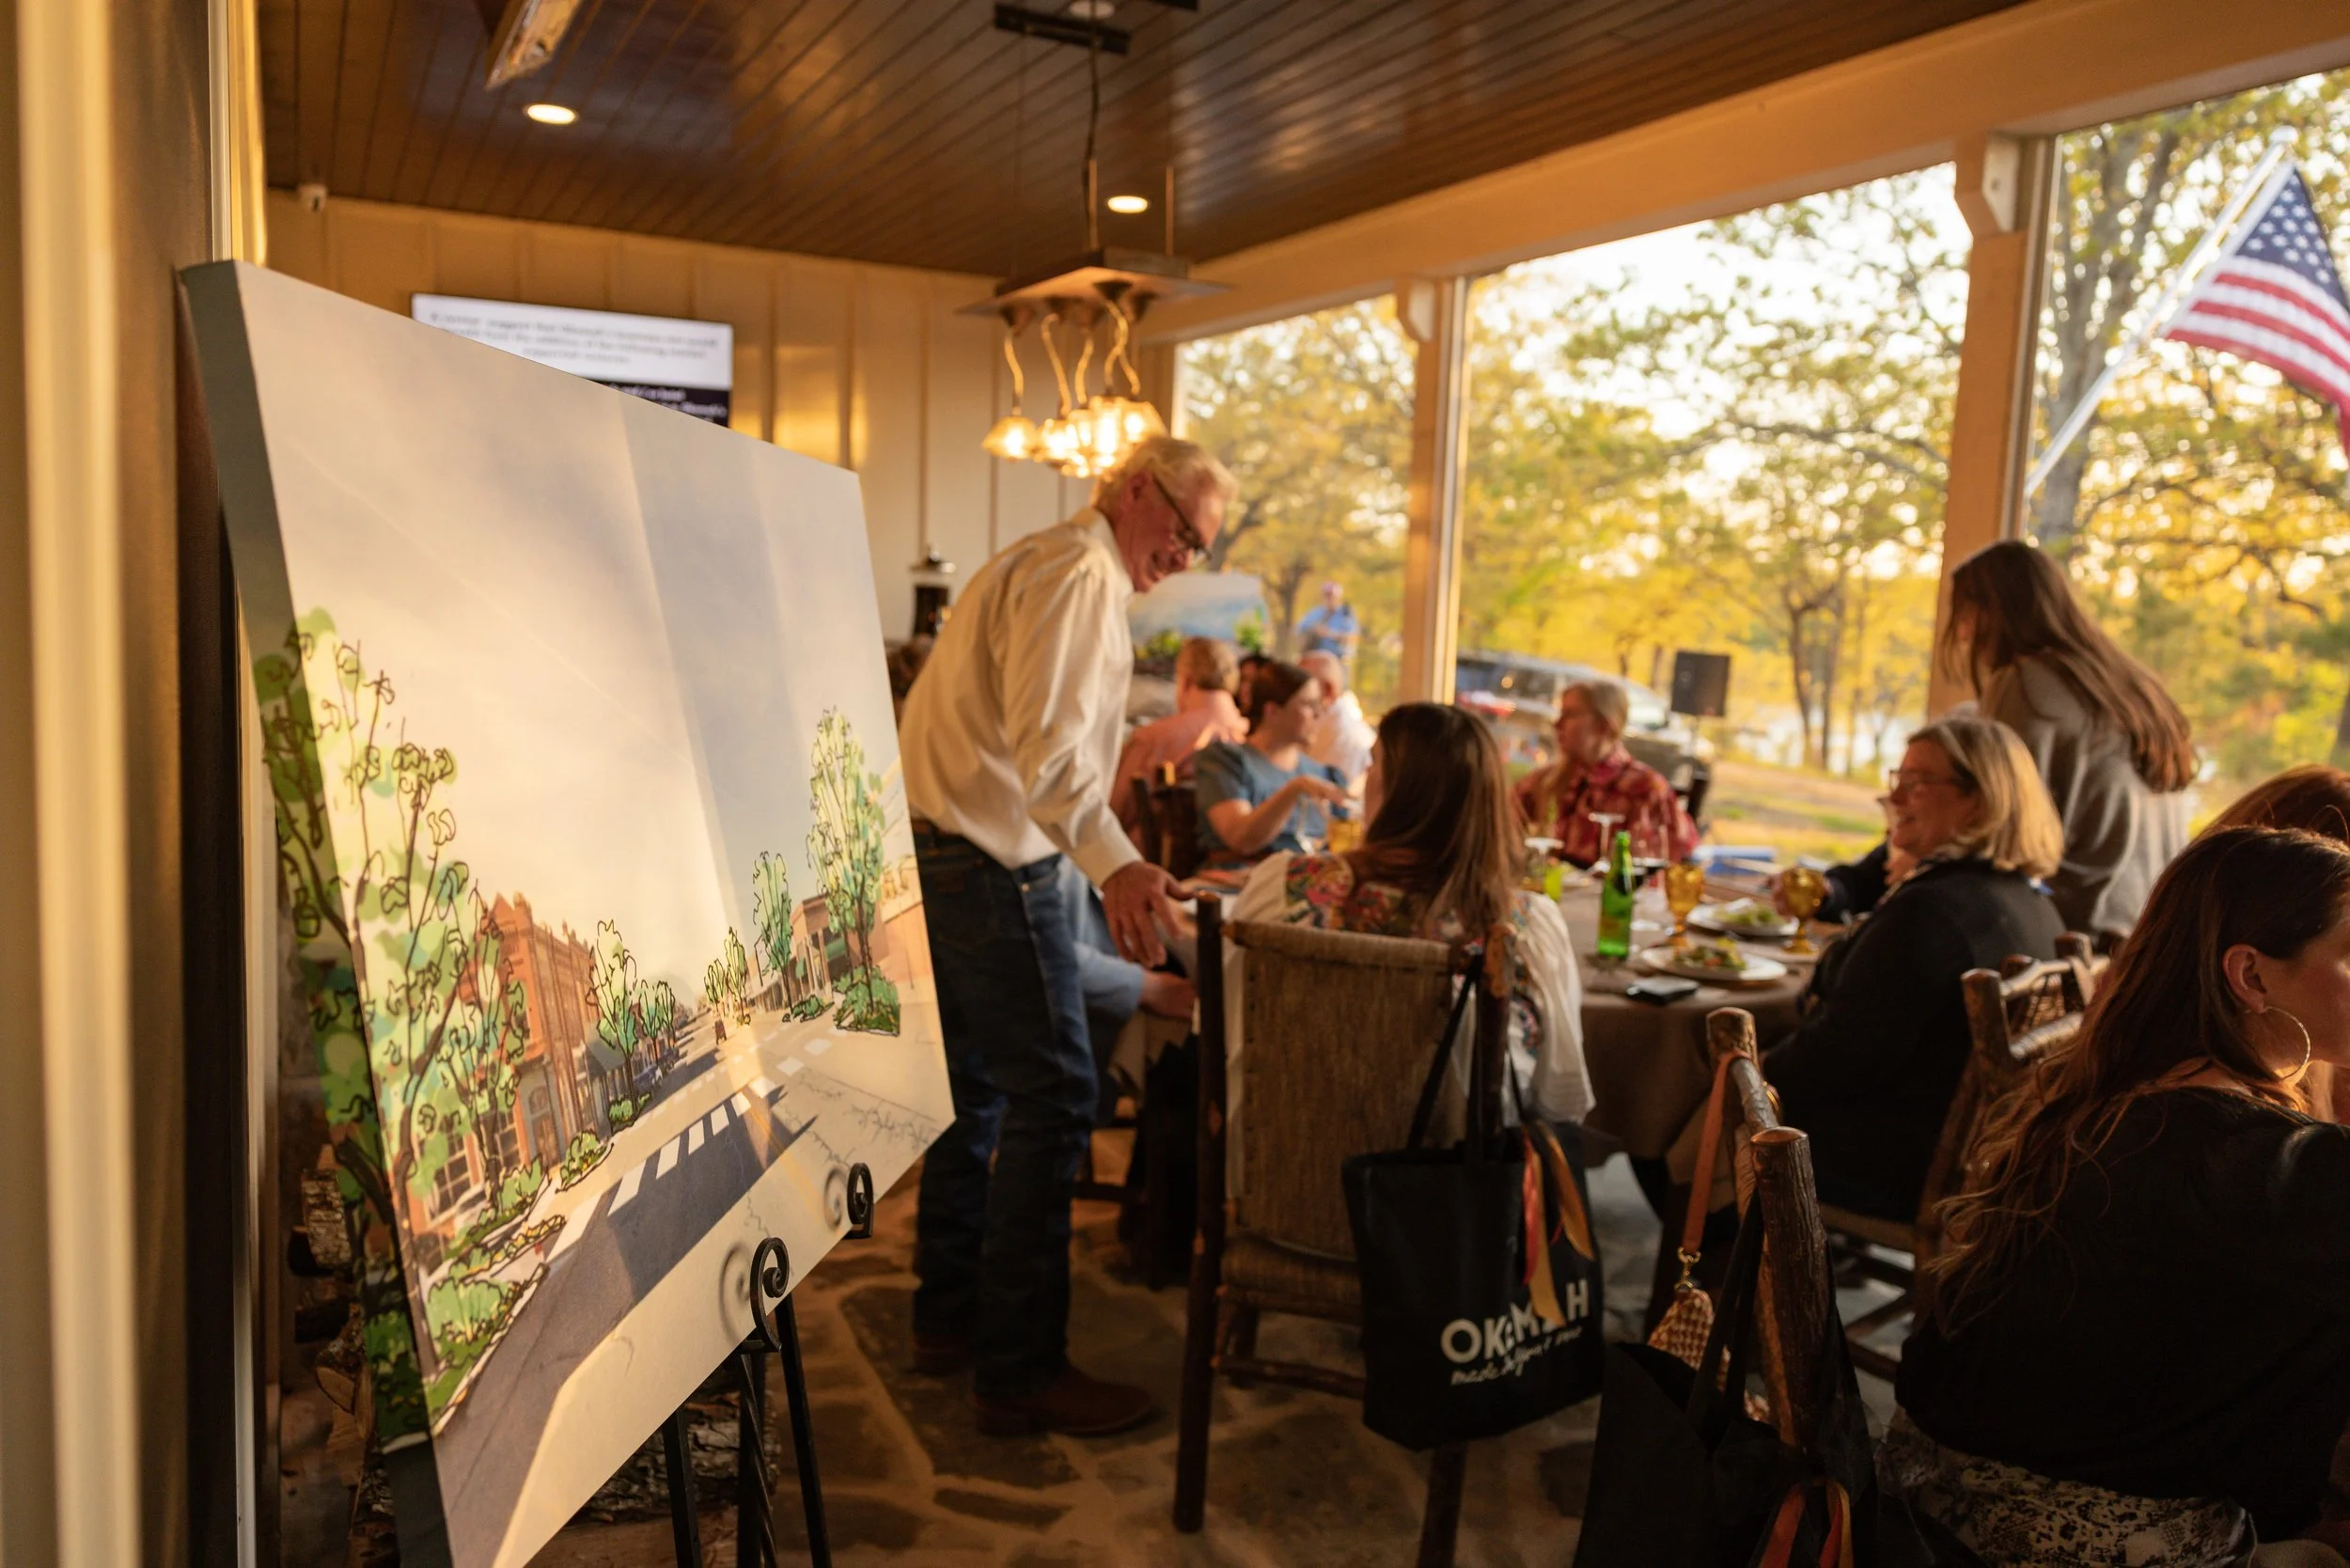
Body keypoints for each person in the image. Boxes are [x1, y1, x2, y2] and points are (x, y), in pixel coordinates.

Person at [1891, 827, 2350, 1566]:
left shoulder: (2134, 1090)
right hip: (2057, 1539)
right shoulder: (2262, 1166)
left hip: (1933, 1495)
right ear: (2252, 977)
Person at [899, 434, 1232, 1436]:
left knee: (976, 1097)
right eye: (1181, 534)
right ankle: (1019, 1365)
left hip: (945, 856)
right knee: (1057, 1100)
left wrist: (1114, 855)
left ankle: (948, 1319)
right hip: (995, 868)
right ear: (1136, 492)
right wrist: (1117, 863)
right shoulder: (1075, 573)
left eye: (1197, 549)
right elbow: (1051, 753)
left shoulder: (1040, 561)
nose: (1182, 559)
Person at [1222, 702, 1592, 1163]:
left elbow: (1221, 1025)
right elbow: (1561, 1101)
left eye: (1374, 763)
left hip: (1282, 1179)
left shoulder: (1286, 888)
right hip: (1448, 1215)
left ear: (1399, 790)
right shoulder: (1521, 926)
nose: (1363, 778)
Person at [1762, 713, 2064, 1223]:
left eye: (1917, 784)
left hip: (1893, 1167)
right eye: (1896, 781)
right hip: (1979, 1163)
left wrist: (1751, 1070)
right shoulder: (2033, 904)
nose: (1895, 800)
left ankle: (1732, 1280)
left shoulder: (1931, 912)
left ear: (1981, 801)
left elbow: (1826, 1063)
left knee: (1699, 1090)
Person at [1512, 678, 1698, 867]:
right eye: (1560, 713)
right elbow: (1501, 828)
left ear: (1604, 726)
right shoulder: (1544, 780)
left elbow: (1669, 865)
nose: (1557, 724)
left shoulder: (1644, 789)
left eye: (1570, 714)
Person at [1194, 661, 1349, 869]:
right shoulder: (1226, 759)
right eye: (1308, 705)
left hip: (1309, 888)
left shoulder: (1327, 775)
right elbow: (1241, 839)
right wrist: (1295, 788)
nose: (1318, 714)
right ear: (1272, 711)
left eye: (1319, 705)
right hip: (1238, 886)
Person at [1112, 636, 1247, 836]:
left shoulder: (1154, 737)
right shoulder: (1252, 734)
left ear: (1185, 680)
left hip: (1155, 860)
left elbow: (1116, 811)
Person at [1300, 649, 1375, 792]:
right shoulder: (1327, 725)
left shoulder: (1341, 734)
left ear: (1328, 690)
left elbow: (1328, 797)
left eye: (1301, 686)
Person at [1294, 580, 1360, 665]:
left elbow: (1353, 638)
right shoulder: (1315, 613)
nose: (1329, 599)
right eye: (1326, 595)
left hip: (1338, 661)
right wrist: (1313, 631)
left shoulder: (1346, 614)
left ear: (1338, 597)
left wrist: (1330, 634)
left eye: (1331, 596)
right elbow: (1299, 630)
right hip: (1315, 660)